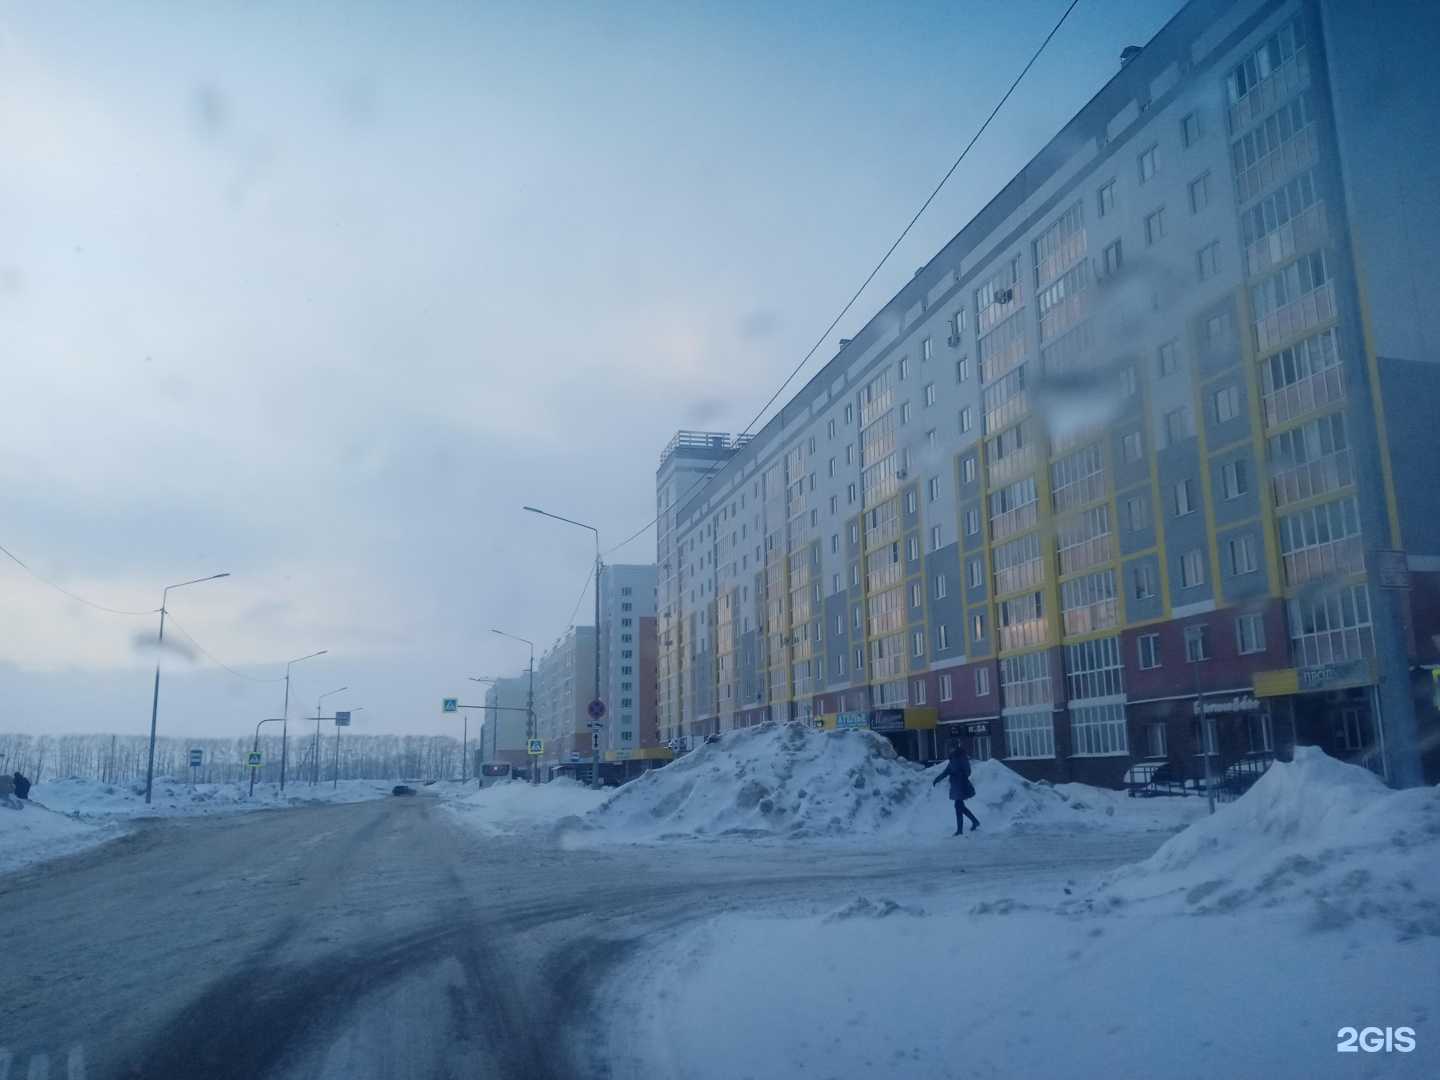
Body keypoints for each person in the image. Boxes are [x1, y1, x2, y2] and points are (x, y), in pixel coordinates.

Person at [931, 741, 979, 836]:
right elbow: (946, 771)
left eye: (951, 748)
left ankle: (960, 830)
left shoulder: (961, 757)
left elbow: (968, 771)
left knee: (958, 806)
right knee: (960, 806)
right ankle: (974, 822)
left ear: (955, 748)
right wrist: (937, 779)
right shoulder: (953, 758)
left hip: (961, 784)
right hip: (956, 785)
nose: (950, 750)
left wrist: (960, 775)